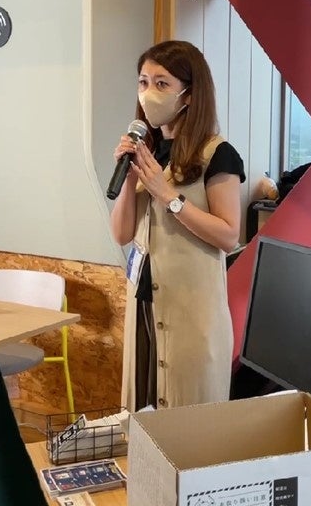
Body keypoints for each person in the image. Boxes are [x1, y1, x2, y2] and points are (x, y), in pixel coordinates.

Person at [109, 40, 244, 412]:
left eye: (161, 83)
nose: (148, 93)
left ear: (189, 94)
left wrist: (168, 195)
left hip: (191, 312)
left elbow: (228, 235)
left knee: (186, 419)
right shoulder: (146, 149)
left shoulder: (217, 154)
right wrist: (128, 179)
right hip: (144, 304)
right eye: (143, 82)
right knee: (141, 412)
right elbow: (121, 233)